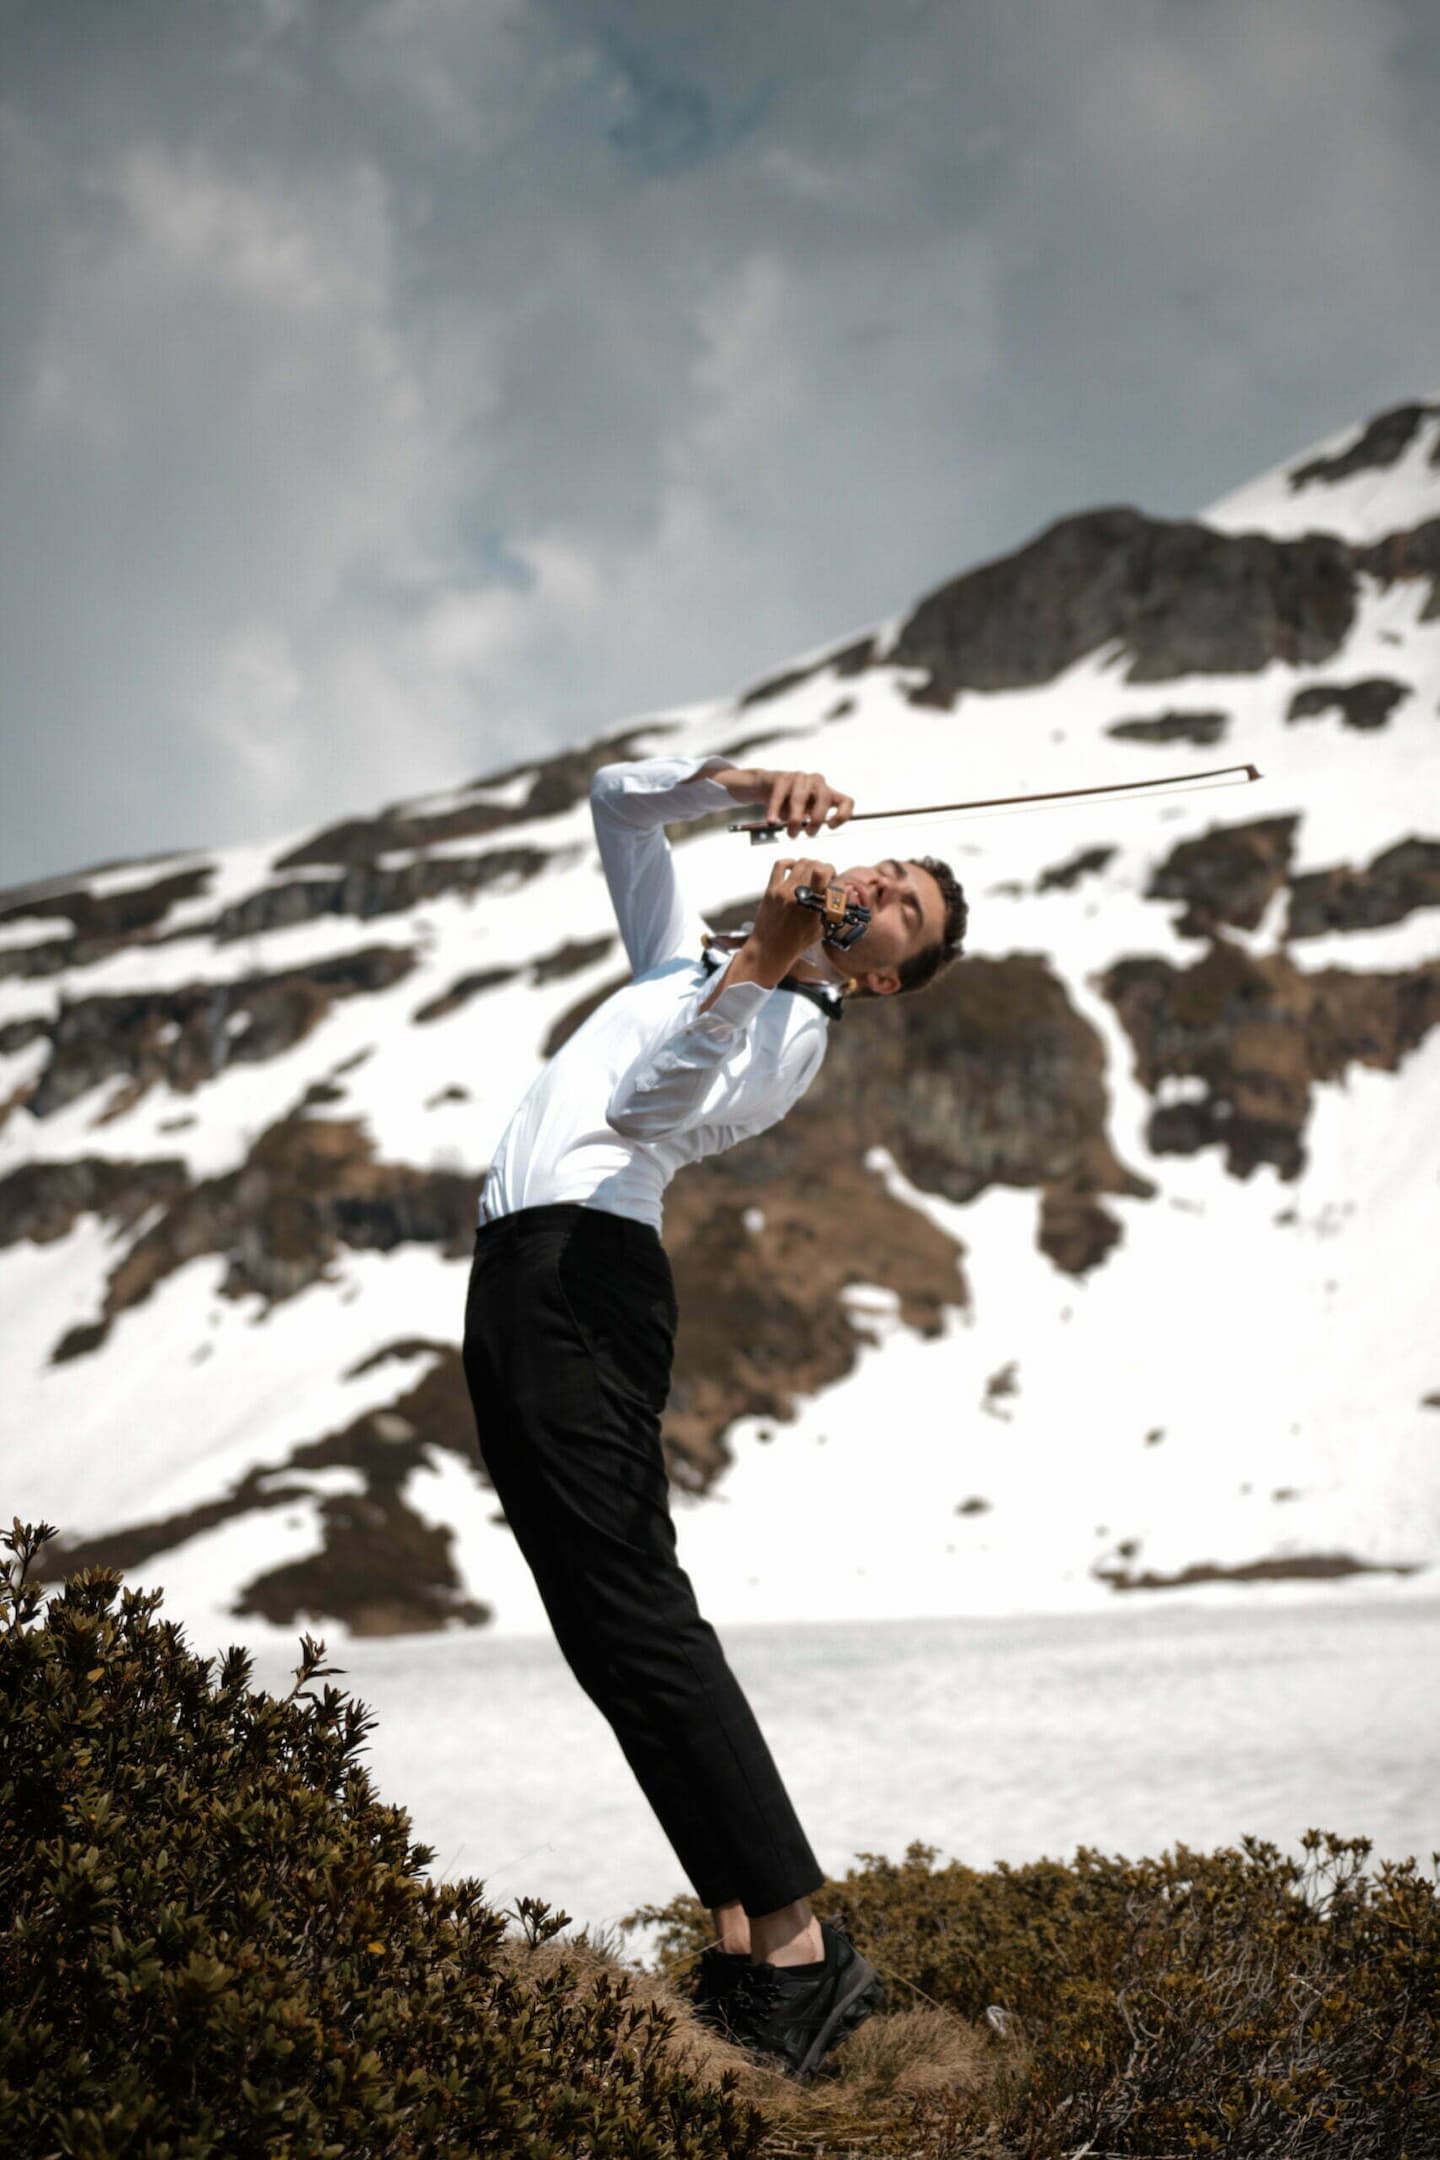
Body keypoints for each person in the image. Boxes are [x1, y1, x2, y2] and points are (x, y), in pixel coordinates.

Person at [461, 751, 967, 2079]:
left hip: (588, 1279)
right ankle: (745, 1939)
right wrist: (746, 789)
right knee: (599, 1631)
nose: (876, 886)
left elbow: (643, 1107)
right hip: (519, 1275)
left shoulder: (784, 1029)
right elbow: (617, 806)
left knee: (634, 1605)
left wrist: (763, 959)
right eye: (884, 869)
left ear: (877, 976)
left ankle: (802, 1953)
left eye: (900, 911)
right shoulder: (675, 970)